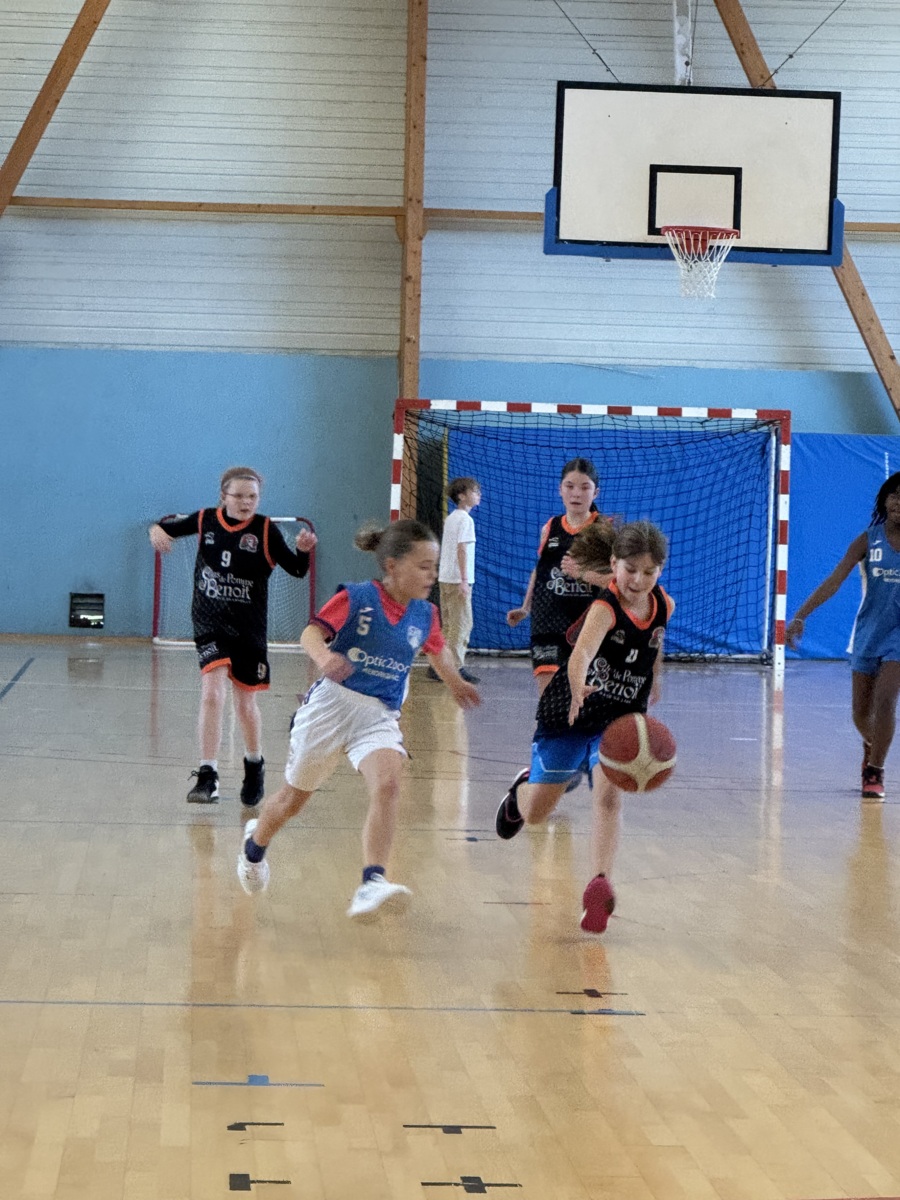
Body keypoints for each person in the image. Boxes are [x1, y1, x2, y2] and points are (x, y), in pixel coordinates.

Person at [236, 519, 481, 918]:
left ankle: (372, 881)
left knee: (388, 784)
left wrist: (455, 682)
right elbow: (311, 634)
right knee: (291, 801)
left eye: (434, 567)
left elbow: (438, 651)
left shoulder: (426, 614)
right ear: (392, 566)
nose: (431, 575)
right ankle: (253, 849)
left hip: (379, 713)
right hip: (330, 707)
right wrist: (325, 658)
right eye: (423, 566)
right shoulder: (358, 597)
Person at [496, 521, 673, 934]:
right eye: (630, 570)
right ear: (614, 565)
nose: (638, 580)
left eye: (649, 572)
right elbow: (582, 654)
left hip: (619, 717)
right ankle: (521, 793)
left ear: (660, 571)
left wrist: (656, 677)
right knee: (537, 813)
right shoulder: (604, 609)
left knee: (609, 795)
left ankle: (599, 884)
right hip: (572, 710)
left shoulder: (664, 604)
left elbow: (655, 641)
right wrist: (577, 685)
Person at [148, 467, 317, 805]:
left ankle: (254, 764)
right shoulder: (205, 520)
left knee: (245, 704)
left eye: (252, 496)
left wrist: (302, 550)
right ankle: (207, 775)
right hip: (209, 622)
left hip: (248, 629)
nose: (245, 502)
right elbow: (164, 528)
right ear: (223, 496)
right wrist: (156, 532)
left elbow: (297, 570)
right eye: (238, 495)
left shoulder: (265, 530)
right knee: (212, 693)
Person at [786, 471, 900, 801]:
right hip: (869, 632)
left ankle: (875, 770)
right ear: (885, 500)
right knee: (860, 715)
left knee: (886, 699)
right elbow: (834, 580)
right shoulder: (868, 540)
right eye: (894, 494)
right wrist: (801, 615)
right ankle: (872, 744)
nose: (899, 501)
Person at [506, 458, 611, 695]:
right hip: (547, 621)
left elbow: (617, 581)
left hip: (586, 624)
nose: (576, 493)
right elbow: (541, 570)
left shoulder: (603, 529)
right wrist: (525, 607)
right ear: (560, 489)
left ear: (596, 493)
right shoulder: (550, 527)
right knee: (550, 697)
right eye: (569, 486)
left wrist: (582, 573)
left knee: (582, 698)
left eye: (585, 487)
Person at [428, 477, 481, 684]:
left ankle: (439, 667)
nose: (478, 495)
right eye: (474, 491)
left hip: (446, 578)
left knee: (449, 625)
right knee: (462, 624)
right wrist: (464, 579)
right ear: (462, 496)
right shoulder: (465, 520)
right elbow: (462, 549)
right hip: (457, 579)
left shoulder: (451, 518)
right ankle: (455, 668)